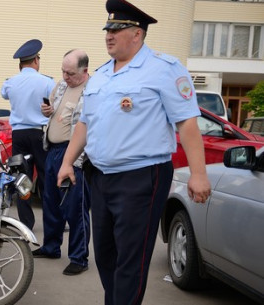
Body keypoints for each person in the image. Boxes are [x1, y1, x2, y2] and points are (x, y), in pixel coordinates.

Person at [56, 0, 211, 304]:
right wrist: (66, 163)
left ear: (137, 34)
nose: (109, 35)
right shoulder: (100, 75)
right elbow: (84, 125)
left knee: (131, 257)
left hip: (141, 177)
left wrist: (199, 174)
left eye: (117, 29)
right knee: (104, 253)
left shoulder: (164, 69)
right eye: (107, 29)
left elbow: (187, 125)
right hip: (99, 177)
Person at [32, 49, 91, 276]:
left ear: (84, 71)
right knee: (51, 202)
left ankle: (79, 258)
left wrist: (77, 159)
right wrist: (47, 110)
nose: (65, 77)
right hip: (53, 151)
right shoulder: (62, 85)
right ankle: (51, 246)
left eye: (70, 73)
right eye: (63, 71)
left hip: (73, 154)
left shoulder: (91, 90)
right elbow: (55, 113)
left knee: (73, 207)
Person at [1, 39, 55, 230]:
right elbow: (54, 103)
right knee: (46, 180)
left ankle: (26, 224)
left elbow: (4, 94)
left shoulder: (10, 83)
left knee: (21, 179)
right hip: (39, 135)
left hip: (18, 136)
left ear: (20, 64)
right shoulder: (47, 82)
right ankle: (52, 223)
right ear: (36, 60)